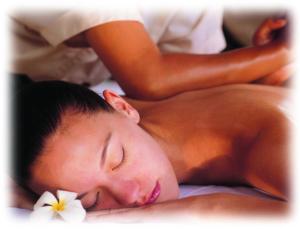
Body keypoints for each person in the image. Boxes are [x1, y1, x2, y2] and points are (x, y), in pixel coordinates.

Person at [11, 75, 291, 220]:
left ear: (122, 107)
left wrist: (206, 209)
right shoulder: (113, 114)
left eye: (118, 159)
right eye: (90, 201)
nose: (130, 196)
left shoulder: (264, 144)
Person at [10, 7, 292, 100]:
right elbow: (149, 78)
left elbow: (193, 92)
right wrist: (280, 51)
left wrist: (265, 64)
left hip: (97, 91)